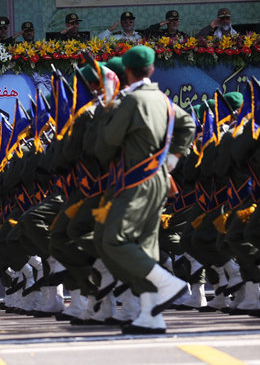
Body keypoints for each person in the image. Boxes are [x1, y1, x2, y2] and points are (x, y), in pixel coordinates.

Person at [93, 45, 196, 334]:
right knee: (145, 248)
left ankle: (168, 283)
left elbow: (106, 145)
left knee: (113, 240)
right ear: (151, 70)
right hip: (159, 180)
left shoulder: (132, 101)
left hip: (135, 182)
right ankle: (151, 316)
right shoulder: (162, 100)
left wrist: (109, 109)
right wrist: (173, 159)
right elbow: (188, 124)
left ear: (126, 71)